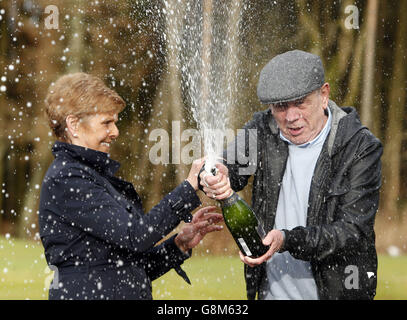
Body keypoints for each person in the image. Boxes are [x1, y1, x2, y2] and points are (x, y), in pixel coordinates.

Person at [200, 50, 383, 300]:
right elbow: (228, 165)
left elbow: (352, 232)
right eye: (281, 106)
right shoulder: (263, 129)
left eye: (300, 102)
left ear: (324, 95)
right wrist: (214, 173)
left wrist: (287, 240)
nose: (291, 117)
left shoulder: (360, 147)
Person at [39, 72, 224, 300]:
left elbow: (129, 270)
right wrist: (188, 186)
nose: (115, 132)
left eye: (115, 122)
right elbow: (136, 236)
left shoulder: (91, 176)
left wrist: (178, 245)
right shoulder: (68, 178)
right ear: (74, 124)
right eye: (107, 122)